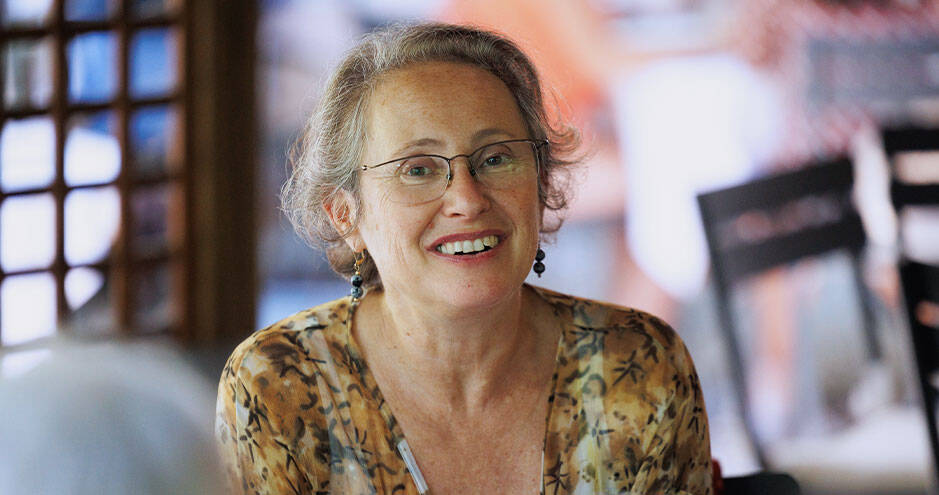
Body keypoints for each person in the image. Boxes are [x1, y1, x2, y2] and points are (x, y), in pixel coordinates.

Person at [216, 22, 711, 494]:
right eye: (418, 169)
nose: (467, 199)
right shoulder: (278, 386)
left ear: (540, 185)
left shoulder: (639, 364)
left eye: (495, 158)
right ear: (346, 214)